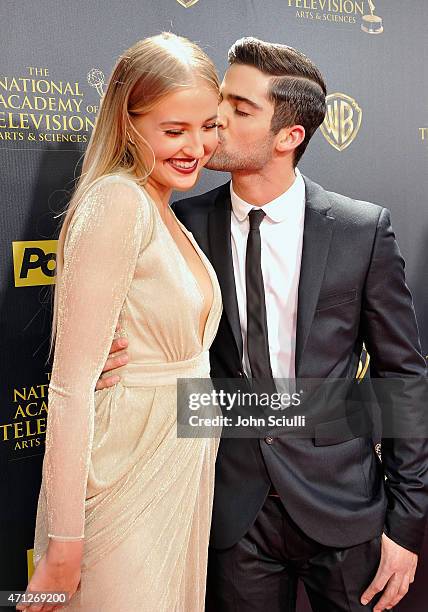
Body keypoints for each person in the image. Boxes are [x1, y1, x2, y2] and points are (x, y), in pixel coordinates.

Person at [100, 37, 428, 611]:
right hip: (230, 506)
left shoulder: (361, 230)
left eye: (239, 109)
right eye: (219, 99)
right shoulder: (182, 223)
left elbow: (402, 378)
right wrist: (112, 367)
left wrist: (407, 523)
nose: (215, 119)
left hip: (346, 506)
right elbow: (155, 347)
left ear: (288, 136)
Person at [18, 33, 222, 612]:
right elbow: (71, 386)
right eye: (174, 130)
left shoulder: (164, 205)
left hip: (178, 466)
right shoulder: (118, 202)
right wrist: (63, 546)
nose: (196, 147)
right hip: (123, 469)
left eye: (208, 125)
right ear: (127, 123)